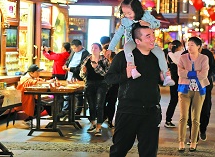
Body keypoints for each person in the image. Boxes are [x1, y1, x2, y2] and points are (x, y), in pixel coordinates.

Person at [105, 24, 163, 157]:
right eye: (148, 36)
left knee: (149, 152)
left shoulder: (157, 57)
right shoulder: (123, 56)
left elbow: (159, 80)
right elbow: (109, 78)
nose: (153, 38)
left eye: (153, 35)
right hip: (128, 109)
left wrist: (162, 78)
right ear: (138, 41)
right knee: (119, 149)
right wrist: (126, 74)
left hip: (151, 110)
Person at [104, 0, 174, 87]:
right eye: (124, 13)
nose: (127, 15)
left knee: (160, 53)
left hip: (146, 43)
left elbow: (157, 23)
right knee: (127, 48)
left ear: (136, 9)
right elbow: (118, 35)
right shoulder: (125, 21)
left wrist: (148, 24)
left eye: (129, 13)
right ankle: (133, 69)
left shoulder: (146, 15)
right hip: (131, 41)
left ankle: (166, 76)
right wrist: (110, 48)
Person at [177, 37, 209, 152]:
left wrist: (188, 73)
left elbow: (204, 74)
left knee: (196, 118)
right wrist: (195, 73)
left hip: (199, 90)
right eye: (188, 44)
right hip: (184, 90)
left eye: (192, 45)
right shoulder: (182, 57)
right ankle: (181, 142)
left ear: (198, 47)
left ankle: (193, 141)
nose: (189, 47)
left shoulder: (204, 58)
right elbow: (180, 72)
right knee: (183, 117)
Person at [79, 43, 110, 136]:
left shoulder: (104, 60)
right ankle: (93, 123)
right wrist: (83, 72)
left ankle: (99, 126)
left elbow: (106, 74)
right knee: (91, 105)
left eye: (96, 47)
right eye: (92, 47)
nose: (93, 49)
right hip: (89, 83)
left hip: (101, 84)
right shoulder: (87, 59)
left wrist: (96, 67)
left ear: (100, 49)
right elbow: (82, 74)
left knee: (100, 105)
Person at [60, 39, 90, 117]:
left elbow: (82, 67)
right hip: (69, 75)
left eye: (75, 48)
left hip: (77, 76)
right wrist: (66, 65)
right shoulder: (73, 52)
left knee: (78, 95)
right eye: (72, 48)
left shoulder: (86, 54)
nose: (73, 50)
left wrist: (72, 69)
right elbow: (68, 60)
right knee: (67, 93)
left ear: (80, 46)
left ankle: (77, 112)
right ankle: (66, 111)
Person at [164, 40, 184, 128]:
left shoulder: (169, 55)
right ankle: (187, 121)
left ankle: (168, 120)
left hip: (173, 79)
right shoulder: (183, 54)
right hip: (183, 80)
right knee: (185, 100)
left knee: (173, 100)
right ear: (180, 46)